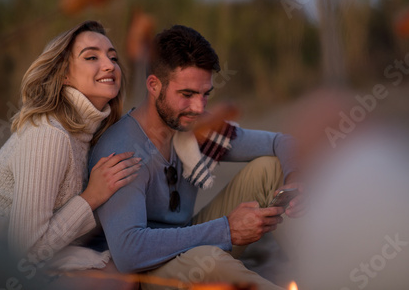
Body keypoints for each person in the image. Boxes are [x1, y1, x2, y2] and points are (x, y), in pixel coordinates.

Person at [90, 25, 304, 289]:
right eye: (187, 95)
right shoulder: (123, 149)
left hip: (190, 239)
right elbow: (129, 253)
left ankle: (327, 267)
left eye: (205, 95)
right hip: (142, 274)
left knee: (271, 168)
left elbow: (280, 142)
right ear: (154, 85)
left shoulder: (197, 128)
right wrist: (226, 230)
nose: (199, 108)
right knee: (209, 260)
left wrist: (295, 179)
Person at [0, 20, 141, 288]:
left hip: (32, 252)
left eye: (112, 57)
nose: (109, 65)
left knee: (122, 275)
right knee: (113, 280)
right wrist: (91, 196)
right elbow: (25, 250)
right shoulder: (49, 133)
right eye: (92, 56)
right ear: (64, 74)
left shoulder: (94, 134)